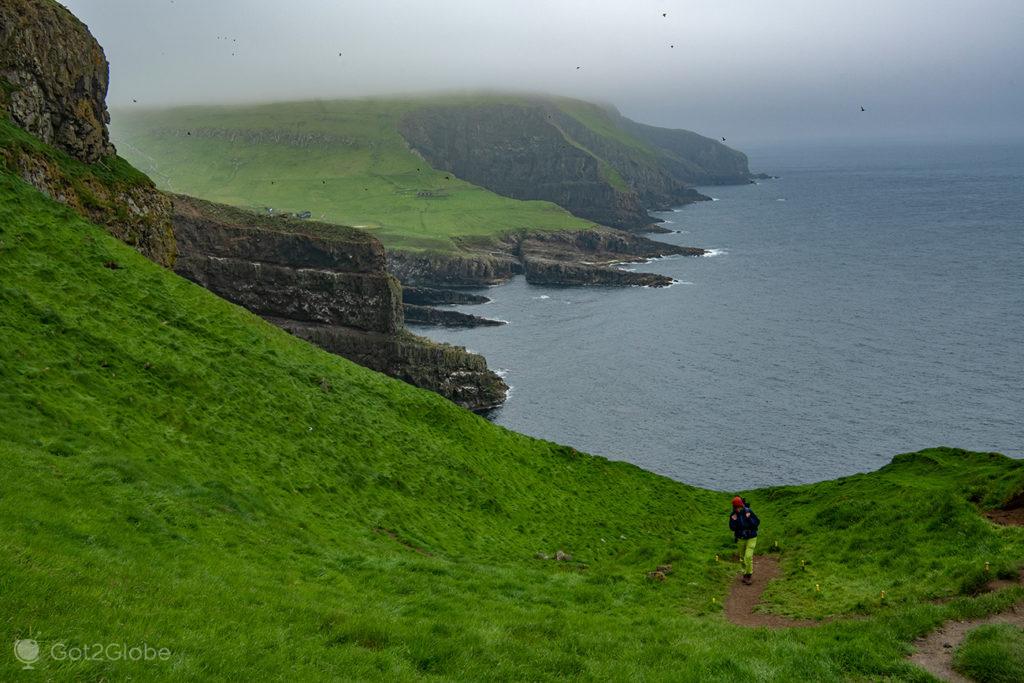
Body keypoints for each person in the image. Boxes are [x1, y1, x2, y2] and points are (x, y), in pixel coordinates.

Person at [729, 496, 759, 584]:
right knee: (742, 558)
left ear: (742, 505)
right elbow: (732, 528)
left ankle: (748, 575)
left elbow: (756, 523)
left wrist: (749, 518)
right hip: (741, 538)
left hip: (751, 537)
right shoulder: (733, 515)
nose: (738, 509)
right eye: (736, 507)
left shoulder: (748, 511)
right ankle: (745, 573)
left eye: (740, 507)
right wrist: (733, 520)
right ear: (734, 507)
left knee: (748, 557)